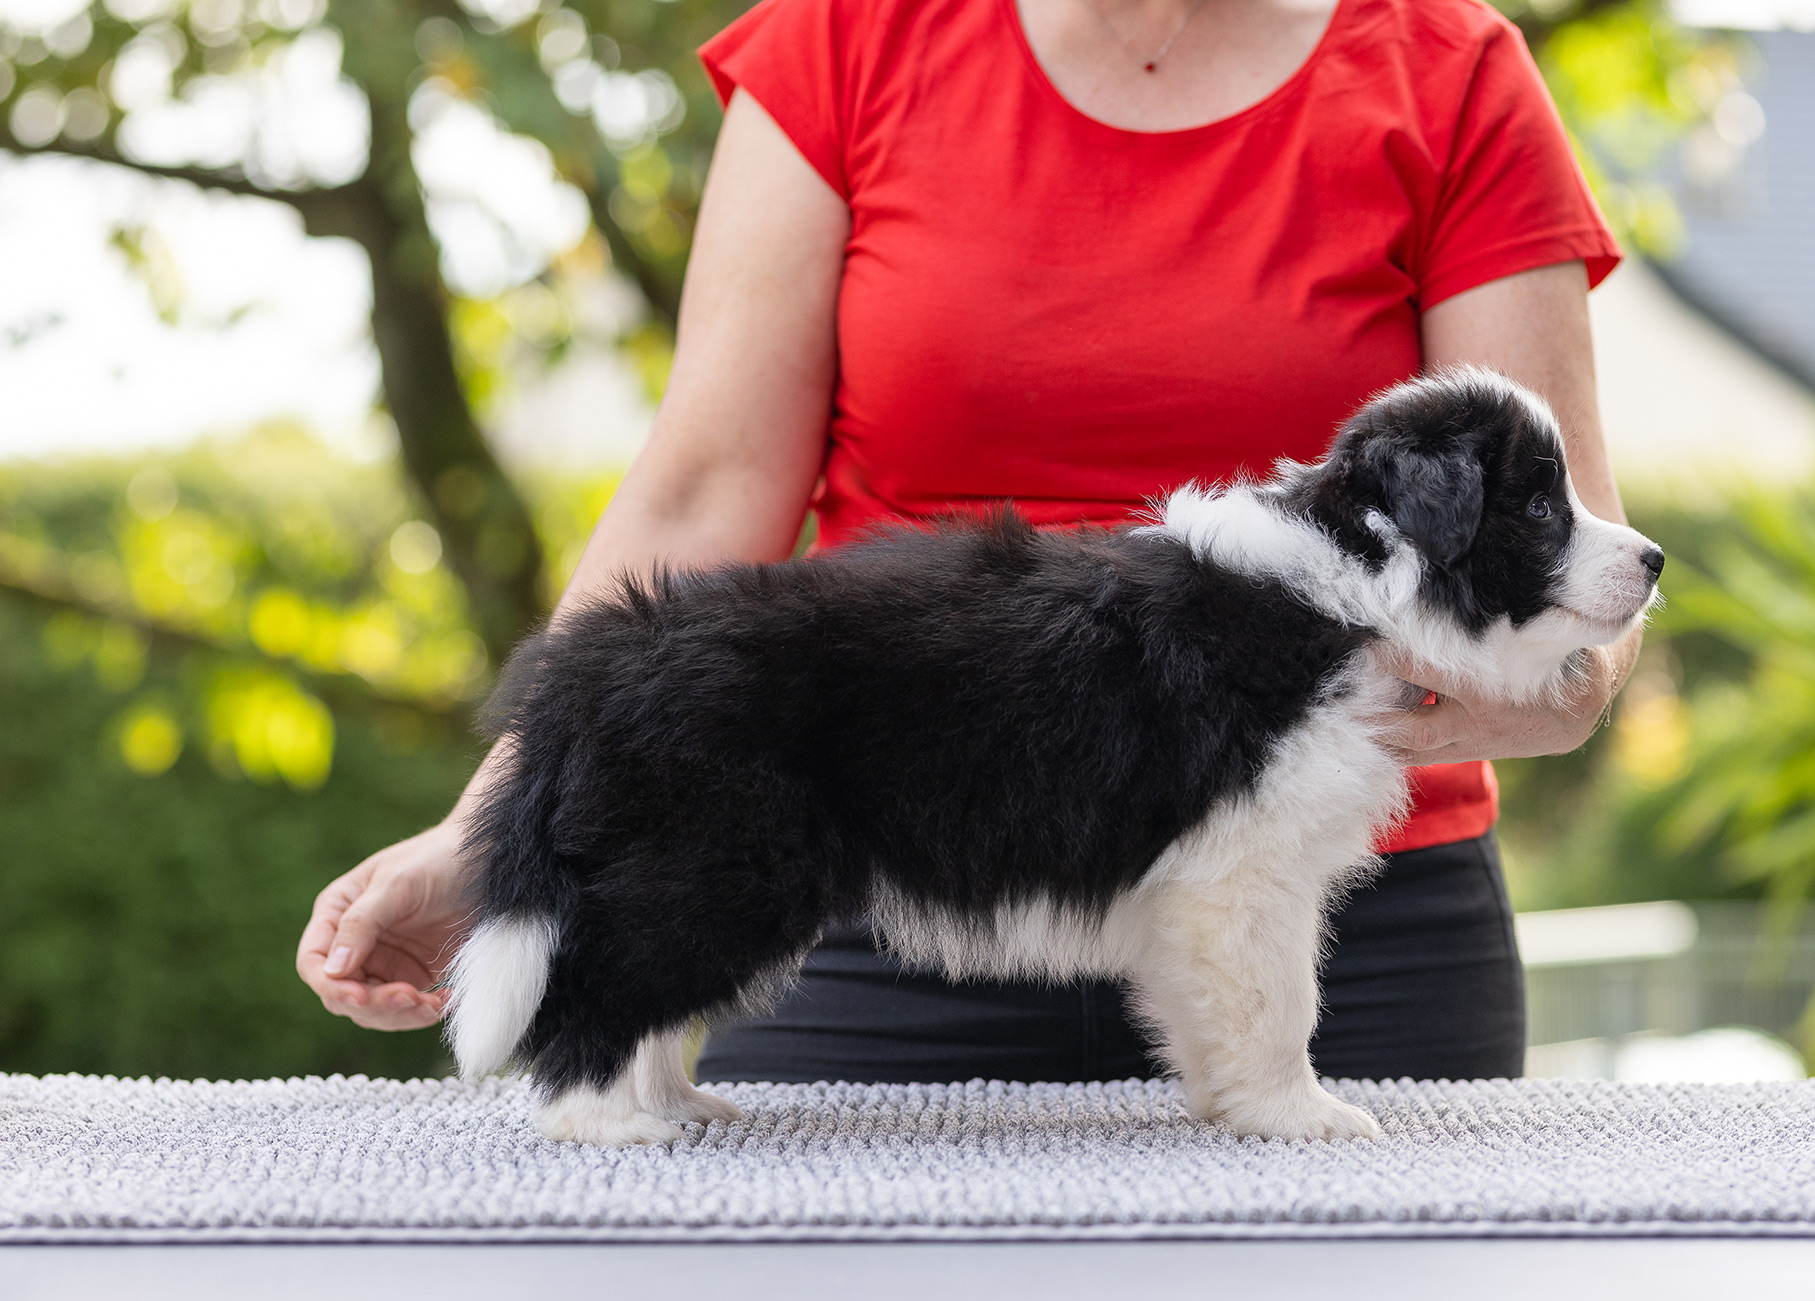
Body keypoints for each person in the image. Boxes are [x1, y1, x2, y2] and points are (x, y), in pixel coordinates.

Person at [297, 0, 1637, 1085]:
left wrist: (1287, 739)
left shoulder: (1452, 73)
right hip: (884, 902)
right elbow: (700, 501)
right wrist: (500, 825)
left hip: (1344, 936)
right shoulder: (845, 42)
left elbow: (1562, 588)